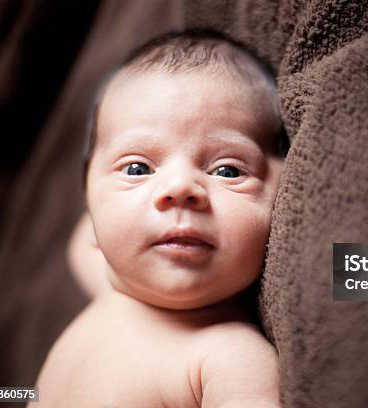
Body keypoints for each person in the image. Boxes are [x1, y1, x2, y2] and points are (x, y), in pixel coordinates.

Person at [30, 29, 288, 407]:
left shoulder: (227, 358)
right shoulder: (106, 280)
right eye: (137, 168)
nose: (180, 187)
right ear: (89, 195)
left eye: (228, 171)